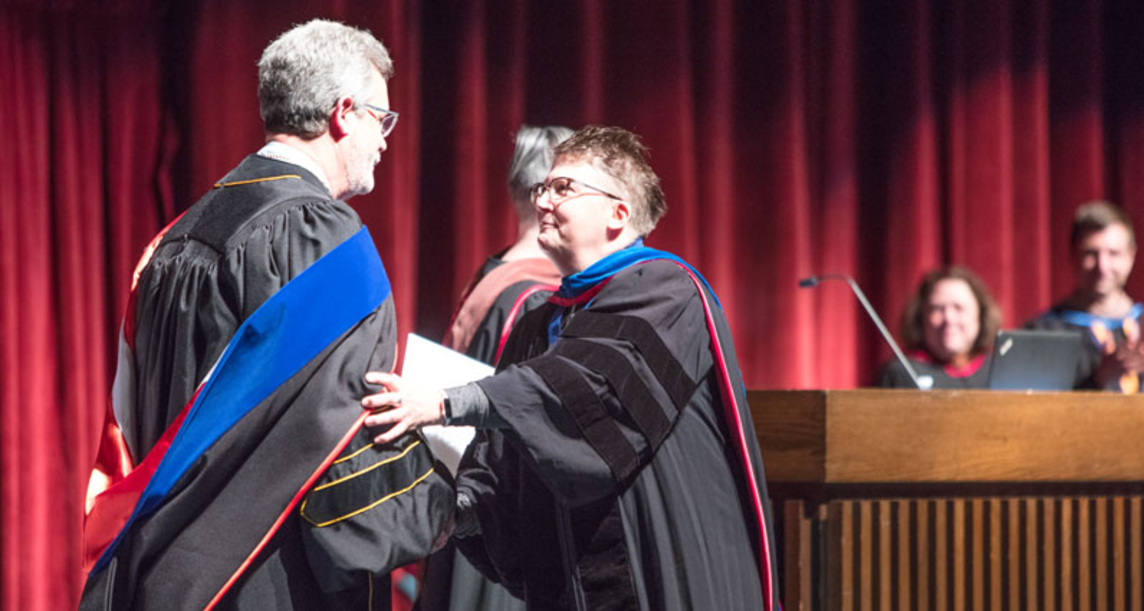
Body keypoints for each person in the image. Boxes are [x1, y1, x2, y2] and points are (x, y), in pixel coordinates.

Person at [80, 19, 452, 610]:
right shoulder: (322, 240)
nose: (386, 138)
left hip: (160, 571)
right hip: (269, 574)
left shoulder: (175, 239)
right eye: (382, 119)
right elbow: (337, 430)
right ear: (344, 112)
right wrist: (449, 499)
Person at [364, 126, 780, 611]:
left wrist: (443, 403)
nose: (542, 201)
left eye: (563, 188)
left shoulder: (667, 291)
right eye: (543, 188)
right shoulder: (541, 319)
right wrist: (453, 514)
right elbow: (502, 460)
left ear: (618, 213)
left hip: (661, 570)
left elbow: (586, 389)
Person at [418, 125, 571, 611]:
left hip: (459, 494)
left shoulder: (491, 277)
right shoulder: (539, 299)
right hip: (504, 521)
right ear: (549, 193)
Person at [1028, 201, 1144, 391]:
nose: (1102, 267)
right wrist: (1097, 381)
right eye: (1091, 254)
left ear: (1131, 257)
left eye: (1113, 253)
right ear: (1073, 256)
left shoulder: (1140, 323)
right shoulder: (1042, 333)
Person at [879, 266, 1001, 389]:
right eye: (937, 309)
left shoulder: (1000, 372)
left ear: (981, 315)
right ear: (921, 316)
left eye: (958, 308)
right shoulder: (900, 374)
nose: (948, 318)